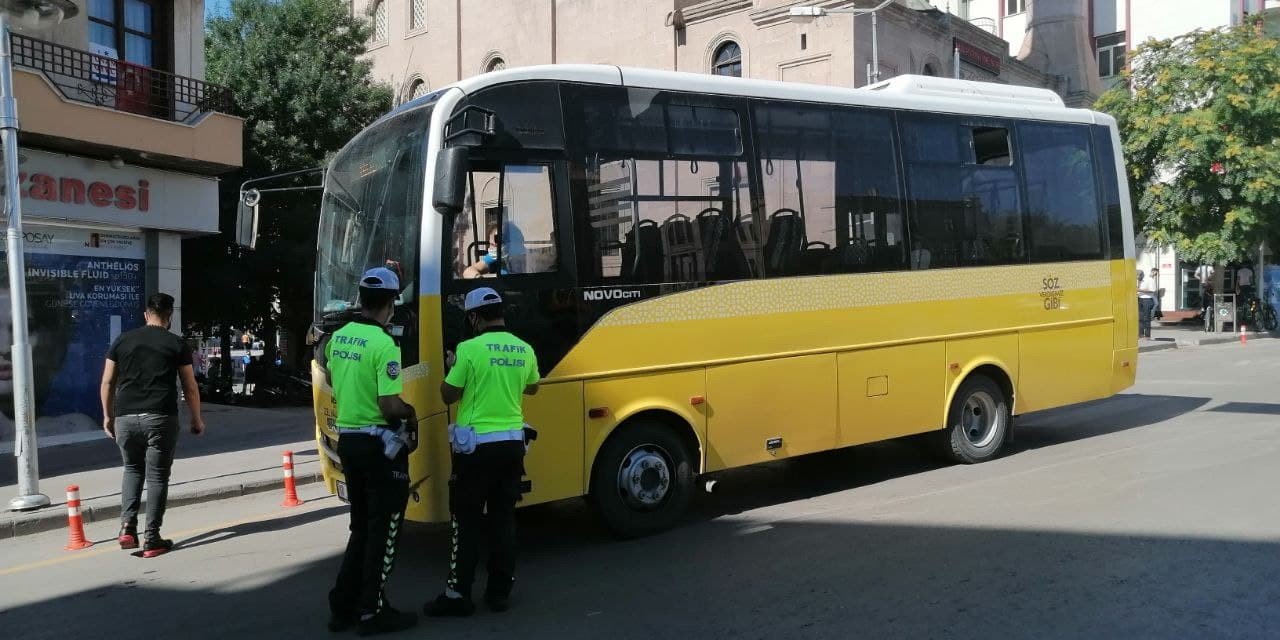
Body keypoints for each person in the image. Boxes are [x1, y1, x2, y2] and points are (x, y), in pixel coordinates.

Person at [427, 287, 539, 617]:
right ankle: (499, 593)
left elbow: (448, 395)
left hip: (474, 451)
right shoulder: (524, 349)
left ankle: (458, 595)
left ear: (475, 317)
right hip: (511, 448)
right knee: (503, 520)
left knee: (467, 522)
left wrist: (451, 366)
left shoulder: (468, 350)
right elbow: (532, 386)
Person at [325, 267, 419, 636]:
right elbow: (389, 404)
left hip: (349, 441)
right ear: (391, 303)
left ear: (362, 298)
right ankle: (372, 610)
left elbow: (333, 379)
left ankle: (342, 607)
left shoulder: (339, 337)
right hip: (380, 445)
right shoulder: (384, 345)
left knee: (361, 526)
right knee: (386, 527)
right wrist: (410, 411)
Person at [100, 293, 205, 558]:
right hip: (160, 417)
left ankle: (127, 527)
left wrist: (108, 416)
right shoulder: (176, 344)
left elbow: (107, 382)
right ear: (169, 317)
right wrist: (196, 418)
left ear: (146, 315)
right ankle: (152, 538)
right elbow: (190, 386)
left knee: (132, 469)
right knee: (157, 476)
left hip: (125, 417)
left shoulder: (122, 340)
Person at [1137, 270, 1155, 339]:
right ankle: (1140, 334)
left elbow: (1152, 290)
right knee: (1140, 318)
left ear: (1142, 275)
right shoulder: (1138, 280)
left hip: (1147, 299)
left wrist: (1139, 290)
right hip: (1140, 299)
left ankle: (1147, 335)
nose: (1138, 279)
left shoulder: (1150, 280)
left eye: (1138, 277)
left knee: (1146, 318)